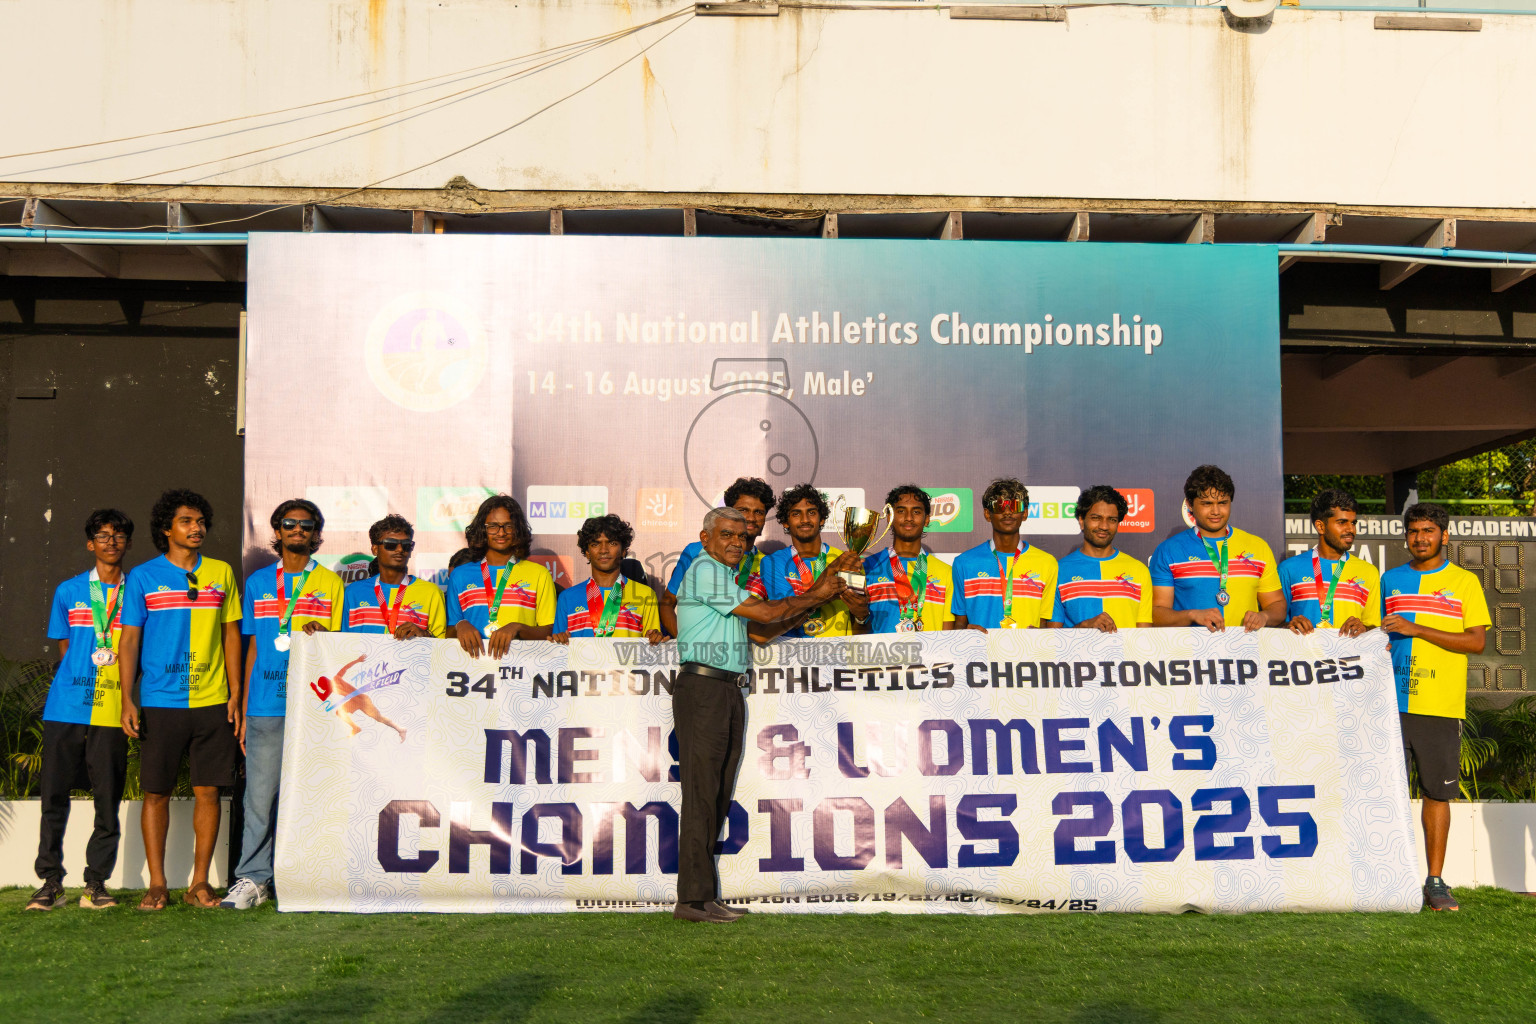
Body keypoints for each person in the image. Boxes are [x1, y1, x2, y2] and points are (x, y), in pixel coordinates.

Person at [672, 507, 846, 923]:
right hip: (704, 690)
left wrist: (818, 599)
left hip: (727, 690)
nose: (736, 542)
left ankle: (703, 897)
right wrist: (819, 593)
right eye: (727, 534)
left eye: (743, 537)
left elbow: (765, 631)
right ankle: (691, 901)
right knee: (701, 795)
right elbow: (768, 614)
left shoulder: (725, 581)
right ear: (705, 537)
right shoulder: (704, 569)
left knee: (715, 794)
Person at [118, 489, 243, 911]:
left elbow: (231, 635)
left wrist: (235, 694)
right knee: (155, 793)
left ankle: (200, 883)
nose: (197, 528)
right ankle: (157, 884)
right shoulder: (141, 576)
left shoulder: (222, 572)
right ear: (166, 528)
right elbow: (130, 638)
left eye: (201, 521)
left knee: (209, 793)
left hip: (212, 701)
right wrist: (127, 699)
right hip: (159, 701)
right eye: (187, 521)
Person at [223, 500, 344, 911]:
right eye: (289, 524)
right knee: (258, 798)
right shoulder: (258, 582)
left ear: (315, 532)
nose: (297, 530)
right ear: (277, 530)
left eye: (305, 525)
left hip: (314, 708)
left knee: (315, 796)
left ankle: (308, 876)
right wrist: (241, 700)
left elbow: (339, 648)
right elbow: (254, 644)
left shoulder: (331, 583)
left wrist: (323, 632)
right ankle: (253, 880)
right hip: (266, 705)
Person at [1380, 502, 1490, 913]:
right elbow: (1381, 637)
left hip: (1438, 705)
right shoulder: (1390, 579)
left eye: (1428, 530)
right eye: (1413, 531)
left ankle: (1435, 881)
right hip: (1388, 702)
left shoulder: (1463, 582)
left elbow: (1476, 642)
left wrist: (1418, 628)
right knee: (1384, 794)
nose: (1420, 538)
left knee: (1435, 795)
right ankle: (1387, 877)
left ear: (1444, 535)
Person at [27, 510, 134, 912]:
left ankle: (96, 884)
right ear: (91, 544)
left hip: (112, 710)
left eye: (119, 535)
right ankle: (50, 882)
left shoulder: (136, 591)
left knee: (107, 799)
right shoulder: (69, 591)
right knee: (53, 796)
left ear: (127, 543)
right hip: (67, 706)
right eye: (103, 535)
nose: (111, 541)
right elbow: (65, 649)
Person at [1150, 465, 1284, 632]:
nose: (1216, 511)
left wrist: (1264, 616)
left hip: (1244, 653)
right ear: (1190, 505)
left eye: (1223, 503)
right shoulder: (1168, 550)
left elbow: (1276, 605)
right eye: (1207, 503)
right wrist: (1192, 615)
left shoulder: (1258, 547)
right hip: (1190, 654)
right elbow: (1156, 614)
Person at [445, 496, 554, 658]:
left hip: (522, 665)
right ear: (482, 529)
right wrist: (461, 625)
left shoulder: (539, 574)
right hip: (473, 666)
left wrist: (518, 628)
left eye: (508, 526)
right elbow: (449, 631)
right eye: (493, 526)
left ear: (517, 529)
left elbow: (550, 630)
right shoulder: (460, 575)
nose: (501, 532)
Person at [663, 477, 775, 635]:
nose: (750, 518)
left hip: (748, 654)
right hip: (703, 655)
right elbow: (667, 603)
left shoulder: (768, 563)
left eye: (758, 512)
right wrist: (683, 641)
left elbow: (770, 615)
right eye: (743, 510)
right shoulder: (696, 550)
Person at [951, 478, 1059, 631]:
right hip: (981, 653)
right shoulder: (964, 563)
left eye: (1015, 506)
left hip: (1027, 653)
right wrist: (966, 635)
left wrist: (1039, 637)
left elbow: (1044, 623)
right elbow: (960, 623)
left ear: (1025, 513)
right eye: (1000, 506)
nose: (1008, 512)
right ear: (987, 514)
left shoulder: (1047, 563)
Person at [760, 483, 867, 637]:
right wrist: (832, 569)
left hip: (839, 656)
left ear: (822, 519)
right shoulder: (772, 563)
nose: (805, 520)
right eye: (796, 514)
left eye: (811, 513)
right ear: (785, 522)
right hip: (793, 657)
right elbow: (787, 616)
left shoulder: (847, 560)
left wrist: (861, 615)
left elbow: (859, 627)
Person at [1279, 488, 1379, 638]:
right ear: (1320, 526)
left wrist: (1364, 628)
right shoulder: (1289, 569)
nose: (1351, 529)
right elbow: (1273, 624)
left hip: (1349, 659)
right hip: (1303, 659)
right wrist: (1289, 625)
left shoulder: (1369, 571)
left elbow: (1376, 628)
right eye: (1342, 522)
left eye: (1353, 523)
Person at [1053, 486, 1153, 632]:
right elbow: (1052, 640)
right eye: (1096, 518)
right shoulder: (1059, 571)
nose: (1104, 526)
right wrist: (1084, 627)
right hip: (1077, 655)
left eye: (1111, 520)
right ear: (1081, 520)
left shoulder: (1139, 571)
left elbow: (1144, 639)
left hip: (1126, 655)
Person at [551, 516, 664, 644]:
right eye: (595, 544)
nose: (604, 550)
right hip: (582, 664)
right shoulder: (567, 597)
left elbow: (651, 646)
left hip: (629, 664)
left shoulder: (646, 595)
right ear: (587, 552)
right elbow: (559, 648)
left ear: (623, 551)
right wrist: (559, 639)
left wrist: (655, 638)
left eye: (612, 543)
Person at [860, 485, 955, 633]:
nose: (909, 518)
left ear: (927, 519)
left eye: (916, 512)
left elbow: (947, 636)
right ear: (890, 518)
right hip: (882, 655)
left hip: (930, 656)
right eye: (901, 511)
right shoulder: (868, 568)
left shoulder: (946, 573)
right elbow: (858, 628)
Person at [340, 515, 446, 638]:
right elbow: (344, 644)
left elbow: (441, 648)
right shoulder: (354, 592)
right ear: (375, 549)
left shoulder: (431, 593)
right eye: (391, 544)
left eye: (406, 545)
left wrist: (425, 636)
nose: (400, 549)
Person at [309, 653, 407, 740]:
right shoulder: (332, 684)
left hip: (361, 699)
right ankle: (355, 728)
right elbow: (345, 668)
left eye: (323, 685)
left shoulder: (334, 682)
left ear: (326, 683)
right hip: (355, 701)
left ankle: (400, 729)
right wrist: (357, 660)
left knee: (379, 718)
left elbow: (345, 668)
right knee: (340, 712)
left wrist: (315, 689)